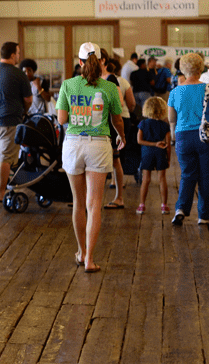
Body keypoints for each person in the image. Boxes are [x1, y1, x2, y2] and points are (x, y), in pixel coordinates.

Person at [56, 42, 123, 273]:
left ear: (80, 62)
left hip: (73, 145)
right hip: (99, 145)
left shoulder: (68, 85)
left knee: (78, 203)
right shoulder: (109, 87)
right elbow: (118, 120)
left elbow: (62, 120)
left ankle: (81, 251)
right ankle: (90, 259)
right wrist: (121, 137)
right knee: (94, 205)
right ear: (100, 61)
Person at [167, 52, 209, 226]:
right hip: (206, 137)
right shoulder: (208, 88)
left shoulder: (175, 92)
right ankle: (204, 216)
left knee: (187, 174)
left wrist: (173, 137)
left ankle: (181, 209)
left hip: (183, 137)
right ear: (201, 69)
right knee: (206, 176)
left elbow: (172, 119)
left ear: (182, 70)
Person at [0, 41, 32, 203]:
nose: (19, 56)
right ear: (12, 55)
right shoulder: (18, 74)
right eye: (17, 52)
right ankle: (0, 194)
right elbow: (28, 99)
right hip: (9, 120)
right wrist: (23, 111)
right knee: (5, 158)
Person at [103, 57, 136, 208]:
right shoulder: (122, 81)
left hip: (110, 122)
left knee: (107, 157)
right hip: (123, 118)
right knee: (118, 157)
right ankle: (117, 187)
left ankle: (112, 184)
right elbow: (131, 103)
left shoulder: (99, 81)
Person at [136, 96, 172, 215]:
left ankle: (141, 205)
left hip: (147, 152)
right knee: (162, 179)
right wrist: (169, 158)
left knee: (145, 179)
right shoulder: (164, 125)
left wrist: (152, 144)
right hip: (161, 152)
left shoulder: (143, 123)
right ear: (163, 110)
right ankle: (164, 205)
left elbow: (139, 141)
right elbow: (168, 144)